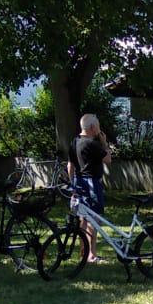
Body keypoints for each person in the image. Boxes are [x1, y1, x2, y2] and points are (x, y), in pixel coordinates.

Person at [67, 113, 111, 264]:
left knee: (83, 218)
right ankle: (92, 254)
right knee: (94, 218)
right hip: (92, 183)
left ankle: (83, 252)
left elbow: (70, 165)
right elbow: (108, 159)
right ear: (92, 127)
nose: (99, 128)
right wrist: (104, 142)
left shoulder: (75, 141)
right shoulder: (93, 143)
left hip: (79, 182)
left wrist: (72, 184)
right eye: (98, 125)